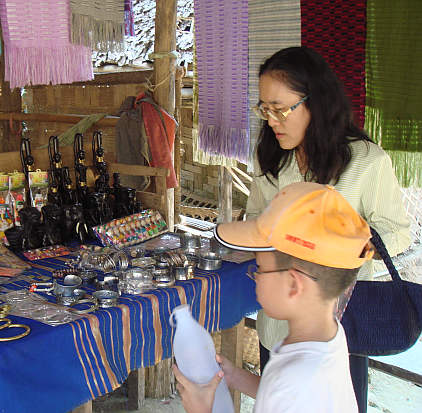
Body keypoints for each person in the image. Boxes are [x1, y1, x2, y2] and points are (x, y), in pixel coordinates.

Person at [246, 46, 411, 412]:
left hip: (337, 326)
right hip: (277, 321)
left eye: (279, 108)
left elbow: (398, 234)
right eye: (263, 108)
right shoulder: (271, 157)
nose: (270, 120)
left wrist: (336, 243)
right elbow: (254, 218)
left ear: (315, 102)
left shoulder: (367, 161)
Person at [173, 182, 374, 413]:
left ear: (293, 285)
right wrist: (236, 377)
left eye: (258, 267)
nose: (254, 277)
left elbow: (286, 393)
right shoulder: (327, 337)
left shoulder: (292, 382)